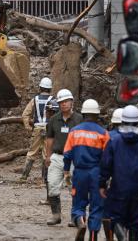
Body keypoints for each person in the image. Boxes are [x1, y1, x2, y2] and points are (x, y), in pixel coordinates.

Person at [99, 105, 138, 241]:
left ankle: (121, 238)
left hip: (118, 189)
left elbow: (105, 165)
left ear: (122, 122)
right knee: (136, 222)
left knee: (114, 216)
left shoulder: (114, 142)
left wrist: (102, 184)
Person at [63, 99, 110, 241]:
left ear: (83, 114)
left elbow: (67, 154)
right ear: (96, 115)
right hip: (97, 173)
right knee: (97, 207)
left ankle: (81, 222)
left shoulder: (74, 132)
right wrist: (106, 177)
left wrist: (66, 171)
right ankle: (93, 236)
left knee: (78, 204)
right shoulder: (103, 133)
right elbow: (107, 158)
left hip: (80, 172)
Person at [45, 88, 83, 225]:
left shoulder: (79, 119)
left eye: (66, 101)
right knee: (53, 185)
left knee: (73, 188)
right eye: (61, 102)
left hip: (74, 159)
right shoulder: (54, 120)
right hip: (57, 157)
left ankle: (75, 217)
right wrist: (48, 156)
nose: (64, 104)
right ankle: (56, 215)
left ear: (72, 102)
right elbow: (49, 139)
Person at [20, 77, 53, 181]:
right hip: (49, 129)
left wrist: (28, 127)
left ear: (40, 88)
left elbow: (25, 114)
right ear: (50, 89)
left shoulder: (35, 100)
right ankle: (45, 178)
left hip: (37, 128)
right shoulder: (53, 100)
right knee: (46, 153)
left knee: (32, 152)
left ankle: (24, 176)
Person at [102, 107, 124, 241]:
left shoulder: (108, 136)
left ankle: (110, 238)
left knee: (107, 212)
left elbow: (104, 160)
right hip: (129, 180)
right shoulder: (136, 137)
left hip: (111, 179)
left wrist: (101, 181)